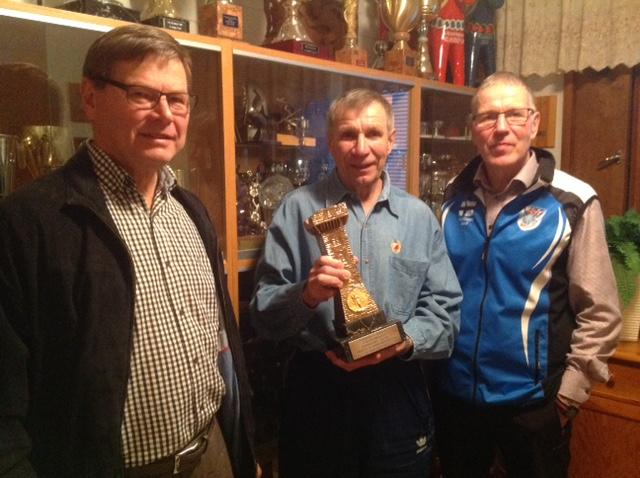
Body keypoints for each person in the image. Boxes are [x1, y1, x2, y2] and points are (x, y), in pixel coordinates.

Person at [0, 24, 258, 478]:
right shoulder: (28, 221)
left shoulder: (191, 210)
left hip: (211, 452)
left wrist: (241, 446)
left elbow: (223, 344)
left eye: (177, 99)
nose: (165, 114)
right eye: (143, 95)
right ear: (91, 98)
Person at [250, 88, 462, 478]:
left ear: (391, 141)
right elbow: (263, 316)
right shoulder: (296, 209)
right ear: (331, 143)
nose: (361, 148)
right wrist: (306, 295)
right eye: (348, 135)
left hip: (396, 391)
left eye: (373, 134)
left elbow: (446, 317)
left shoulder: (418, 218)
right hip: (317, 391)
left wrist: (401, 341)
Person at [434, 71, 622, 478]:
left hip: (534, 406)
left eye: (514, 115)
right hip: (456, 400)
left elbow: (601, 312)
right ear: (473, 129)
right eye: (488, 117)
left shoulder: (573, 200)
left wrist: (567, 397)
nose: (501, 127)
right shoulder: (452, 197)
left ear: (534, 123)